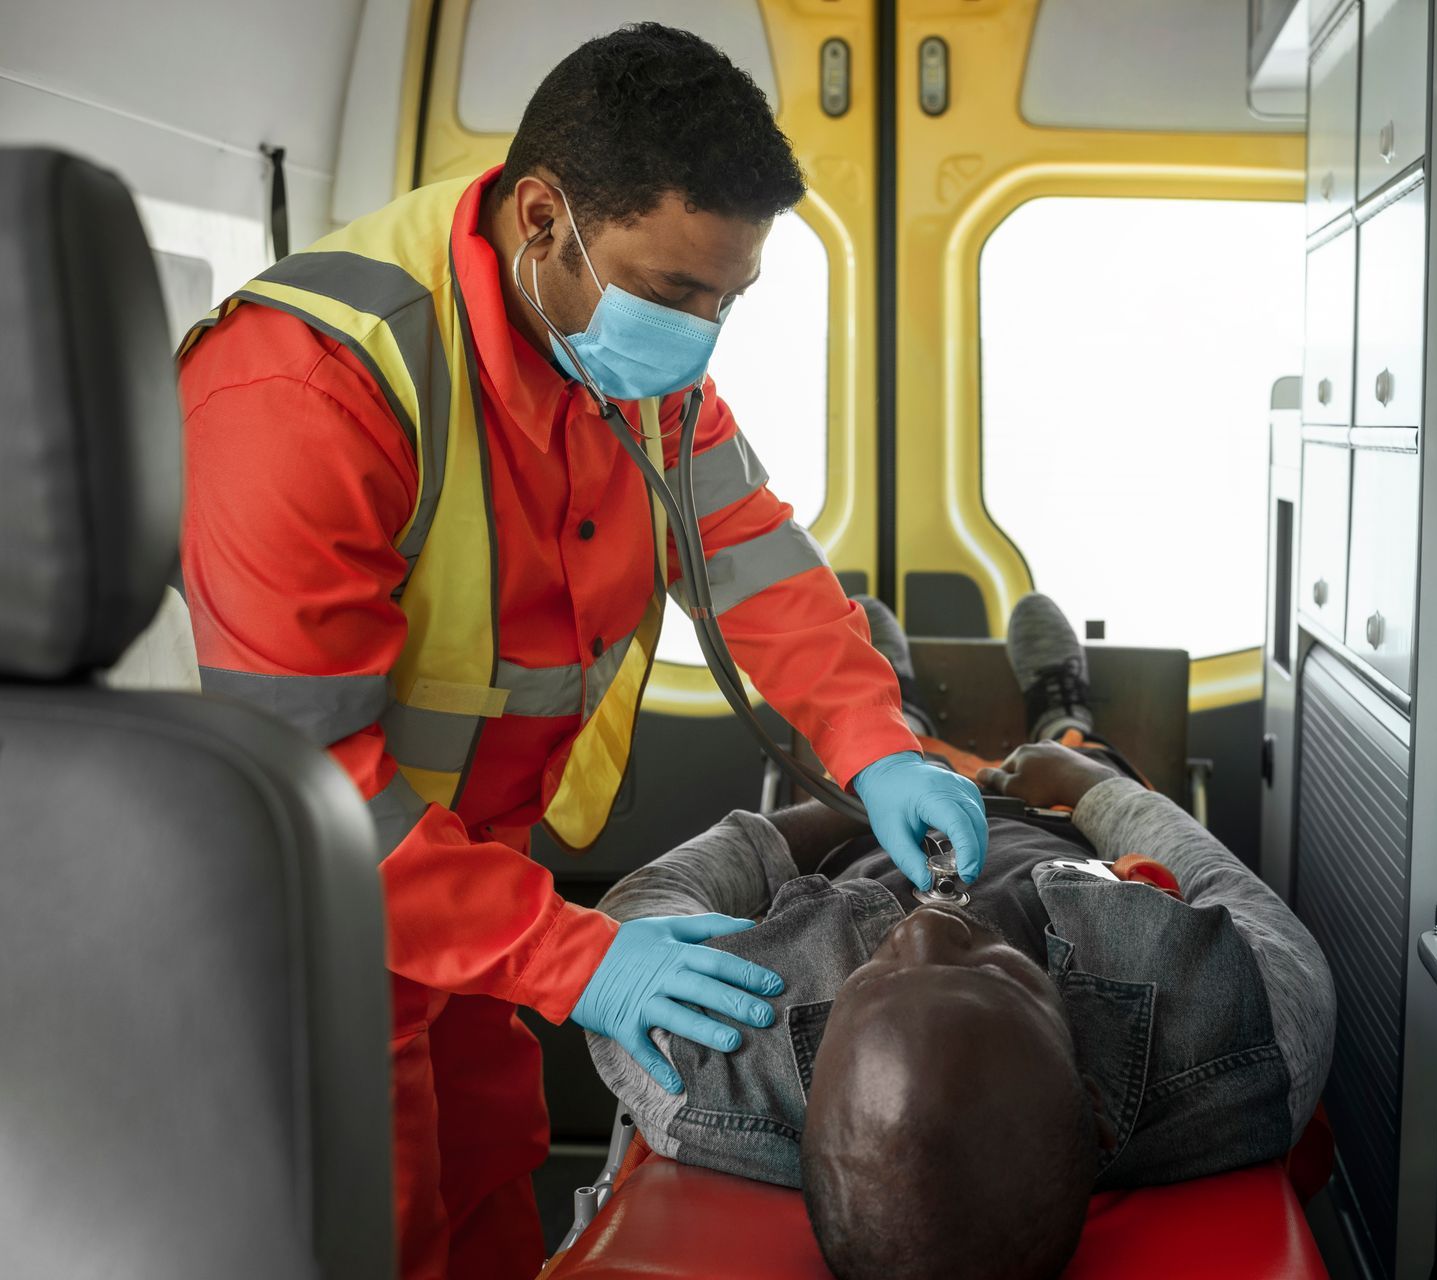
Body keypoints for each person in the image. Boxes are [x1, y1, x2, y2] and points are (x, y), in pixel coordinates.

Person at [174, 25, 986, 1280]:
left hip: (480, 889)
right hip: (313, 921)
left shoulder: (626, 355)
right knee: (374, 1231)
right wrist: (580, 955)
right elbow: (309, 783)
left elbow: (754, 560)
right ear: (543, 217)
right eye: (677, 293)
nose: (704, 336)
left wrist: (880, 745)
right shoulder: (305, 392)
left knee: (494, 1194)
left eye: (732, 298)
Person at [587, 595, 1337, 1280]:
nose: (933, 921)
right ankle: (1062, 717)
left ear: (804, 1107)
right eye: (997, 971)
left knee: (887, 753)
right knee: (1080, 750)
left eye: (875, 971)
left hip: (863, 839)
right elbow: (1222, 882)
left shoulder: (713, 1065)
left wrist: (842, 810)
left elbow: (635, 915)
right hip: (1054, 824)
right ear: (1093, 1101)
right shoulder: (1239, 1045)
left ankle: (893, 716)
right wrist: (1090, 787)